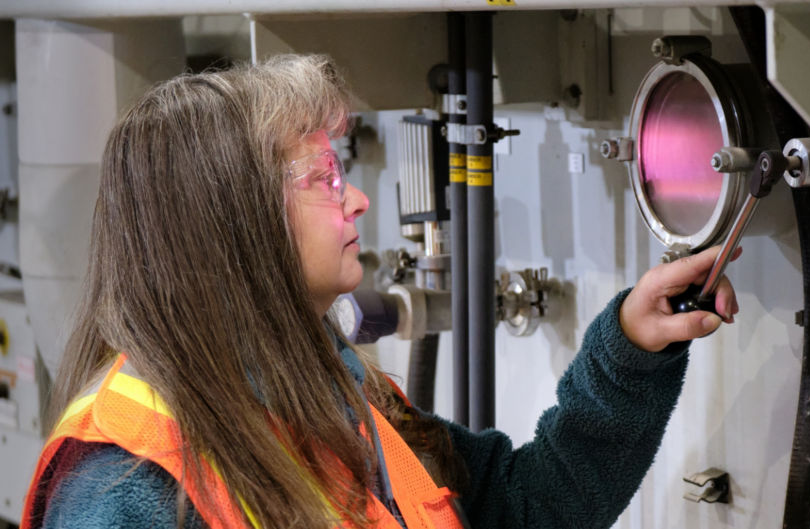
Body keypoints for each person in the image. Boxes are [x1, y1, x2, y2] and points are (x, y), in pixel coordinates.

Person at [20, 54, 738, 529]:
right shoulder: (121, 488)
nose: (357, 200)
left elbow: (523, 510)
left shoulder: (325, 389)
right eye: (324, 177)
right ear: (233, 221)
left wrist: (633, 350)